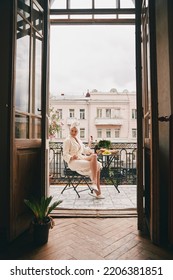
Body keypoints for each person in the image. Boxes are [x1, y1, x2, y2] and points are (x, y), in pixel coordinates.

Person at [63, 122, 104, 199]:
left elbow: (84, 150)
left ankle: (95, 185)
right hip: (73, 162)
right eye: (72, 130)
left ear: (77, 132)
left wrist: (90, 143)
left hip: (81, 158)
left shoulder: (78, 140)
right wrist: (71, 157)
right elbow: (64, 154)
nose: (73, 133)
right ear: (70, 130)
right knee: (97, 165)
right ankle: (97, 191)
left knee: (94, 156)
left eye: (75, 131)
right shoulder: (67, 140)